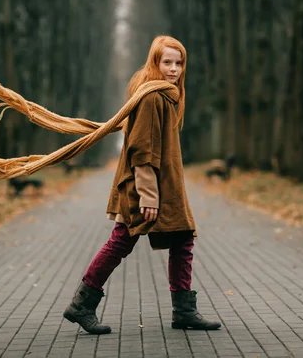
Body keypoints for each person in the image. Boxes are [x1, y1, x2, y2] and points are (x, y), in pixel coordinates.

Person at [62, 36, 221, 334]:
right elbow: (142, 150)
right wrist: (148, 196)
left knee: (183, 238)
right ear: (155, 63)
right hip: (144, 188)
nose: (174, 69)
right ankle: (82, 305)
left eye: (179, 63)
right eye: (167, 62)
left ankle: (183, 311)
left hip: (164, 188)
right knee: (121, 242)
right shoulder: (151, 97)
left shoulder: (165, 94)